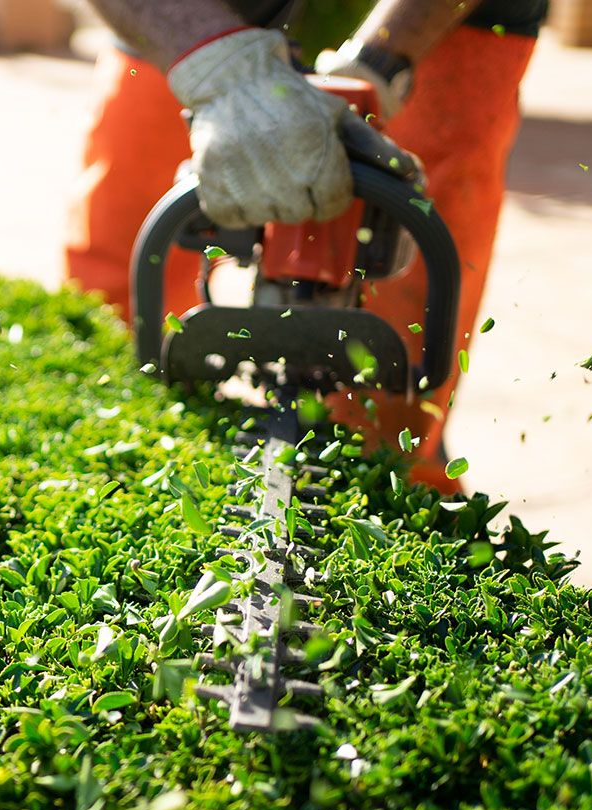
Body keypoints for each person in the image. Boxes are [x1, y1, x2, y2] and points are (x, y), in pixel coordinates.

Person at [66, 1, 548, 492]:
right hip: (193, 11)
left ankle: (396, 485)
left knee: (401, 383)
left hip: (443, 19)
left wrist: (383, 61)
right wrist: (220, 67)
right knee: (115, 290)